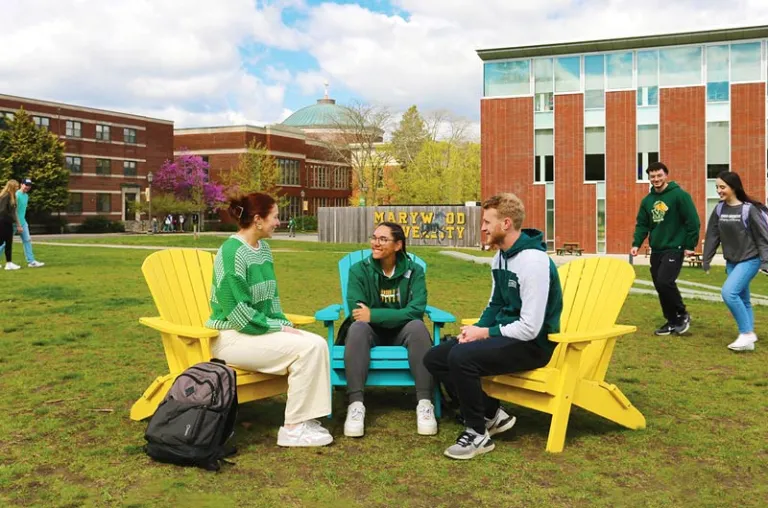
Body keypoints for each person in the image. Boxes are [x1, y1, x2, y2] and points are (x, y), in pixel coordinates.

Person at [423, 193, 563, 460]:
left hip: (533, 345)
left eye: (487, 222)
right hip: (506, 336)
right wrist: (473, 330)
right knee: (436, 357)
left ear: (506, 224)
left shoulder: (533, 262)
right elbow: (495, 304)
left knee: (461, 357)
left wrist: (485, 333)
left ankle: (477, 434)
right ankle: (491, 414)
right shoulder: (501, 257)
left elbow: (531, 328)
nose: (483, 227)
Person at [205, 192, 333, 447]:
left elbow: (271, 299)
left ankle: (305, 419)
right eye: (275, 216)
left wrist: (283, 323)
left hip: (256, 332)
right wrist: (278, 327)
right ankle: (292, 429)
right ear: (257, 220)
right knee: (306, 348)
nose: (278, 222)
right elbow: (239, 314)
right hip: (230, 338)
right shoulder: (232, 252)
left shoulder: (262, 249)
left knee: (317, 343)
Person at [340, 222, 437, 438]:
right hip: (369, 333)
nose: (375, 243)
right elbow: (358, 313)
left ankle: (424, 403)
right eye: (374, 237)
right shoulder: (358, 270)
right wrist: (382, 317)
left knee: (418, 327)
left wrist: (374, 315)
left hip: (403, 332)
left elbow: (416, 310)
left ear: (397, 245)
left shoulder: (415, 271)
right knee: (356, 328)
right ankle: (356, 405)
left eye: (383, 239)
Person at [630, 161, 700, 336]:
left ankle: (682, 313)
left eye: (659, 175)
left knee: (664, 281)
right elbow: (642, 225)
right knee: (660, 286)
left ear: (666, 175)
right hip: (657, 249)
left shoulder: (679, 196)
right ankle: (671, 321)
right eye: (652, 176)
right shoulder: (647, 201)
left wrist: (690, 245)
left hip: (675, 247)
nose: (656, 179)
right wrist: (636, 244)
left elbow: (692, 221)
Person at [702, 171, 768, 352]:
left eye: (722, 187)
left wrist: (765, 262)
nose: (718, 191)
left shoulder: (749, 209)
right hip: (731, 261)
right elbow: (712, 235)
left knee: (729, 293)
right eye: (717, 187)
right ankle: (749, 341)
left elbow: (763, 237)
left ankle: (746, 333)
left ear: (733, 187)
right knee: (743, 299)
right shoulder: (719, 209)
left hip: (750, 259)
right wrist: (706, 258)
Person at [5, 178, 44, 268]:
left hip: (23, 222)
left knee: (27, 240)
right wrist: (18, 224)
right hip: (13, 223)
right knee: (5, 243)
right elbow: (13, 211)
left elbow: (22, 211)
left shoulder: (26, 196)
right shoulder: (16, 195)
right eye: (26, 185)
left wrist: (22, 223)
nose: (28, 187)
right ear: (21, 184)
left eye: (29, 185)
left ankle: (31, 261)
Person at [0, 180, 23, 271]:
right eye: (16, 187)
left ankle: (9, 263)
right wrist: (10, 218)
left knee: (8, 243)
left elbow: (14, 212)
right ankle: (8, 263)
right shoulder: (5, 196)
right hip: (3, 222)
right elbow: (2, 211)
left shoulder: (12, 197)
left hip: (8, 222)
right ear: (12, 187)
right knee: (1, 242)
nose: (17, 188)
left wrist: (18, 224)